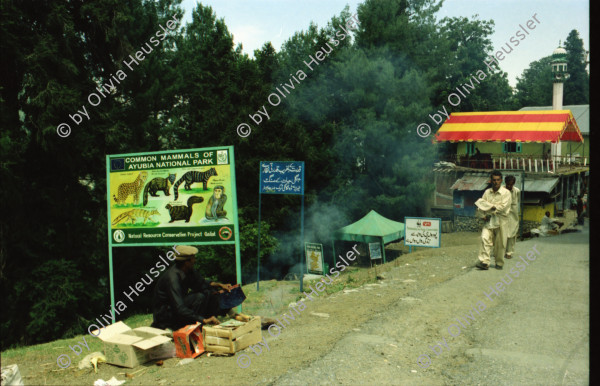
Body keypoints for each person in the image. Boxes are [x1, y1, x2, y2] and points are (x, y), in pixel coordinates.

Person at [151, 245, 244, 331]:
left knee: (207, 291)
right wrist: (203, 320)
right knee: (199, 297)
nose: (195, 260)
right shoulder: (172, 278)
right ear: (186, 262)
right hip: (165, 315)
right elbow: (180, 308)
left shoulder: (188, 271)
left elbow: (202, 283)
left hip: (176, 309)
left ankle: (231, 313)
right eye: (193, 259)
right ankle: (188, 329)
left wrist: (220, 285)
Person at [474, 170, 512, 270]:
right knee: (484, 238)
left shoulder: (506, 193)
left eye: (498, 180)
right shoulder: (487, 192)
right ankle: (484, 262)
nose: (496, 182)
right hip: (489, 220)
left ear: (501, 180)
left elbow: (502, 207)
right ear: (491, 181)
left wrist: (489, 206)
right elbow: (481, 206)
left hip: (501, 221)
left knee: (500, 244)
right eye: (494, 180)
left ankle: (499, 262)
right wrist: (483, 215)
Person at [504, 175, 520, 259]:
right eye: (508, 184)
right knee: (502, 233)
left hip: (513, 216)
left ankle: (509, 252)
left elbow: (517, 201)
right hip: (503, 215)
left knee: (512, 234)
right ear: (505, 183)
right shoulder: (502, 190)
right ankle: (501, 251)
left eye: (511, 185)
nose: (509, 186)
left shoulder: (516, 191)